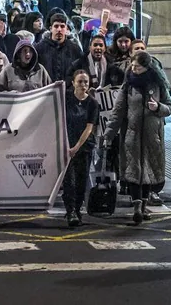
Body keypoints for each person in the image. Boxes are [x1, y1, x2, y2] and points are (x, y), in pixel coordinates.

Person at [106, 51, 171, 225]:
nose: (133, 69)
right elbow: (118, 110)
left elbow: (169, 108)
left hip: (152, 136)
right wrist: (109, 134)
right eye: (133, 65)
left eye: (137, 66)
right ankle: (137, 208)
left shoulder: (158, 84)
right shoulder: (128, 85)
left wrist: (157, 107)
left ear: (146, 67)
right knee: (134, 171)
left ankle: (143, 207)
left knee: (148, 171)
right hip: (132, 134)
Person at [63, 70, 99, 227]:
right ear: (73, 83)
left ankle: (77, 209)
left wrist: (77, 147)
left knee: (81, 181)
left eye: (86, 82)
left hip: (83, 147)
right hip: (66, 146)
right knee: (69, 181)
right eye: (80, 82)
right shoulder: (66, 99)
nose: (83, 85)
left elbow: (89, 128)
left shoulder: (92, 103)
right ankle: (70, 211)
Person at [35, 13, 83, 83]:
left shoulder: (75, 49)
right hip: (46, 90)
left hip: (68, 91)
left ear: (66, 29)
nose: (59, 29)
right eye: (56, 26)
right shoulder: (39, 48)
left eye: (62, 26)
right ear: (51, 29)